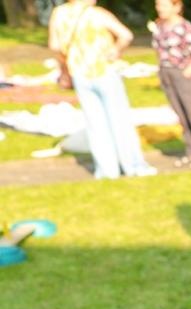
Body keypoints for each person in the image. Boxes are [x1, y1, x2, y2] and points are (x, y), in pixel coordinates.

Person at [47, 0, 157, 180]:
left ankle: (107, 170)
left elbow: (55, 46)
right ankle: (133, 165)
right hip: (104, 70)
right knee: (119, 120)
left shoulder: (59, 15)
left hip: (80, 73)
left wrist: (64, 68)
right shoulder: (96, 14)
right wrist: (115, 50)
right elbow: (126, 35)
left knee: (95, 124)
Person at [151, 0, 191, 169]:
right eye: (158, 5)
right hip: (167, 73)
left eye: (164, 5)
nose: (160, 9)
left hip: (184, 73)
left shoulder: (185, 28)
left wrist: (187, 73)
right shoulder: (160, 27)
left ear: (176, 7)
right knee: (181, 115)